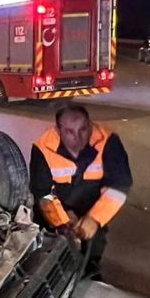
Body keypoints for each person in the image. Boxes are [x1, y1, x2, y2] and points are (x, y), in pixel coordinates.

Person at [29, 104, 133, 279]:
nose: (77, 138)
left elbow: (119, 186)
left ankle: (89, 272)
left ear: (90, 125)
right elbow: (43, 193)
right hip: (55, 209)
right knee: (47, 251)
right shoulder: (43, 148)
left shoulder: (108, 141)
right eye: (70, 131)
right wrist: (62, 222)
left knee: (94, 246)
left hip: (92, 207)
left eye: (83, 129)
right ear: (58, 130)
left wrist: (94, 218)